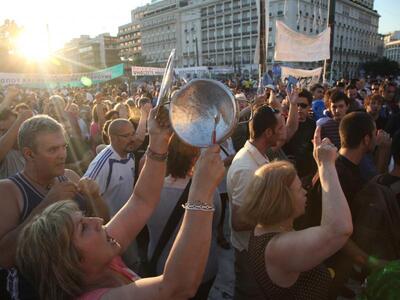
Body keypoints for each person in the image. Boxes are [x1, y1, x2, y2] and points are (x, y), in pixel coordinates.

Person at [16, 108, 226, 300]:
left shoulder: (100, 260)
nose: (98, 221)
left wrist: (158, 142)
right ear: (69, 262)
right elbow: (177, 287)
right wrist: (201, 192)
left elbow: (141, 202)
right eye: (83, 227)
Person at [0, 115, 109, 300]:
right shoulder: (8, 191)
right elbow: (4, 257)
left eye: (63, 147)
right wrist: (46, 205)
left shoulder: (70, 176)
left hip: (79, 288)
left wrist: (95, 198)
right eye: (53, 149)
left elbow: (103, 222)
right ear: (29, 154)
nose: (62, 154)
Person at [239, 127, 353, 299]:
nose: (305, 192)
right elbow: (339, 229)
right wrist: (328, 166)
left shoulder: (265, 228)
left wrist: (321, 165)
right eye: (300, 189)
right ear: (283, 201)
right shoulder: (278, 249)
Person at [146, 134, 221, 299]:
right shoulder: (209, 191)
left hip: (160, 269)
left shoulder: (150, 190)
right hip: (200, 272)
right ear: (195, 158)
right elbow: (215, 225)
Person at [227, 105, 285, 300]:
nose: (283, 133)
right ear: (268, 133)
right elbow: (238, 222)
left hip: (259, 251)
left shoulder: (259, 155)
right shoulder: (247, 169)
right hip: (249, 255)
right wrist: (281, 213)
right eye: (280, 129)